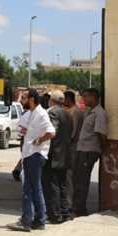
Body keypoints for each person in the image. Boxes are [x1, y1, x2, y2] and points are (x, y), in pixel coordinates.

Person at [7, 89, 56, 232]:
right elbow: (23, 129)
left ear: (32, 99)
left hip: (35, 154)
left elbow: (51, 132)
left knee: (28, 189)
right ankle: (39, 220)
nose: (22, 100)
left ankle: (26, 221)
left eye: (24, 97)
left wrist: (39, 140)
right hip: (29, 154)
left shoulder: (41, 113)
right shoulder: (31, 113)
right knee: (35, 188)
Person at [72, 88, 108, 217]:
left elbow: (101, 134)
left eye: (86, 97)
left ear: (93, 97)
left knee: (82, 180)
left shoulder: (99, 113)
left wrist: (101, 149)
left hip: (89, 150)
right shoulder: (89, 111)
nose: (84, 99)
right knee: (77, 179)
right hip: (82, 149)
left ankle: (79, 209)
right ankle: (76, 207)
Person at [42, 91, 73, 224]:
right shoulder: (68, 113)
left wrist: (40, 140)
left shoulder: (53, 113)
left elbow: (52, 132)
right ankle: (65, 212)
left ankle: (55, 215)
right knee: (62, 185)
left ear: (51, 100)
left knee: (52, 185)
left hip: (53, 155)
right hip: (65, 154)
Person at [63, 90, 84, 217]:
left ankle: (70, 204)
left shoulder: (74, 112)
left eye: (64, 99)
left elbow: (73, 131)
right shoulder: (73, 111)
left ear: (68, 99)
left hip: (72, 147)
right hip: (73, 146)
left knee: (70, 176)